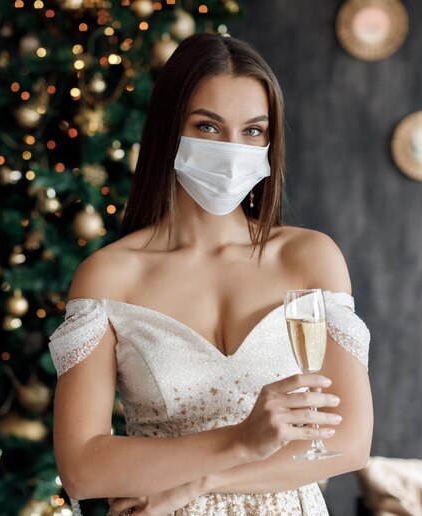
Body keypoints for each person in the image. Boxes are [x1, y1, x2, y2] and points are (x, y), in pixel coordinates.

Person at [48, 32, 373, 516]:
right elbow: (82, 466)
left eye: (253, 131)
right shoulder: (109, 277)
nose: (233, 148)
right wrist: (241, 440)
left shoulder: (310, 258)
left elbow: (348, 440)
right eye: (208, 127)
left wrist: (201, 483)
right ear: (168, 130)